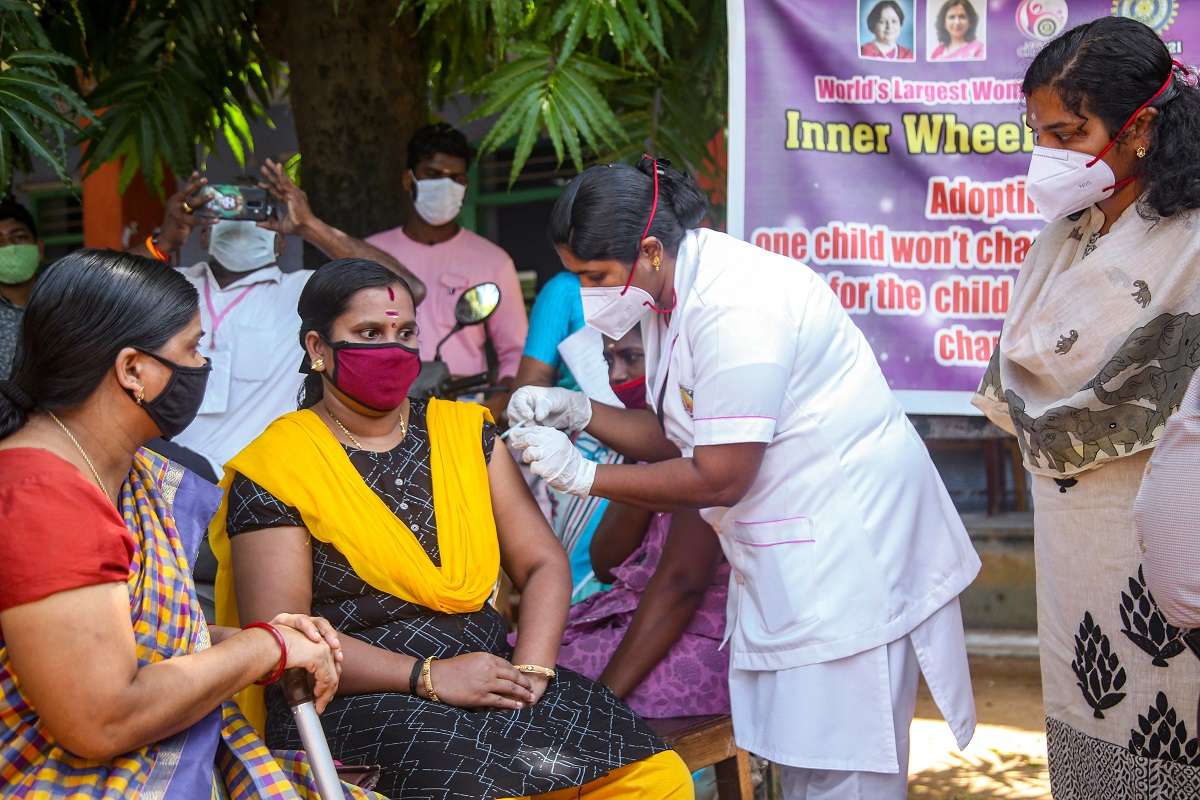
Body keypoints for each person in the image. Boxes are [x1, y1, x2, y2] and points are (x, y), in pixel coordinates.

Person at [506, 157, 980, 800]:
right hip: (792, 553)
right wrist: (584, 413)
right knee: (808, 758)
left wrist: (583, 475)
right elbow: (682, 430)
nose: (588, 294)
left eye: (595, 276)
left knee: (849, 769)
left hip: (848, 552)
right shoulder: (665, 293)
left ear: (648, 249)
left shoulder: (739, 303)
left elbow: (719, 473)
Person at [209, 259, 692, 799]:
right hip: (355, 695)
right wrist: (429, 677)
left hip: (489, 675)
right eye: (368, 333)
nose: (392, 347)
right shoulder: (276, 466)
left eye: (405, 333)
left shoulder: (464, 435)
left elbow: (541, 563)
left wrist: (532, 667)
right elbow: (285, 639)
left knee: (653, 775)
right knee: (483, 786)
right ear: (318, 349)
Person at [0, 249, 376, 798]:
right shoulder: (44, 496)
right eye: (193, 347)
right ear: (133, 369)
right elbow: (100, 719)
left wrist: (276, 641)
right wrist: (264, 647)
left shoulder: (122, 474)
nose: (203, 365)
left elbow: (142, 645)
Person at [974, 17, 1200, 796]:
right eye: (1041, 133)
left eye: (1068, 133)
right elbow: (1020, 381)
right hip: (1074, 544)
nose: (1049, 155)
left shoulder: (1194, 239)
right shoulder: (1065, 233)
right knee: (1088, 708)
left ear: (1138, 127)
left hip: (1165, 528)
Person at [137, 165, 425, 479]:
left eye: (258, 210)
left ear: (282, 238)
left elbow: (408, 288)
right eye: (229, 210)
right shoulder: (168, 288)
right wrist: (163, 242)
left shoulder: (305, 292)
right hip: (169, 480)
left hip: (261, 484)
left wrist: (309, 225)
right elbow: (90, 300)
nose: (245, 223)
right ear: (204, 232)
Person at [551, 328, 730, 719]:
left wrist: (600, 709)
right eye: (608, 360)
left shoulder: (711, 448)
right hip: (649, 623)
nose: (617, 375)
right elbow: (605, 561)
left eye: (632, 358)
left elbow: (681, 585)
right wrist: (641, 455)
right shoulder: (660, 446)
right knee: (521, 665)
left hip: (704, 641)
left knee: (544, 689)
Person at [367, 123, 528, 420]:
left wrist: (491, 407)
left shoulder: (492, 260)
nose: (445, 185)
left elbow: (515, 354)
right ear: (408, 179)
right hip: (384, 409)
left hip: (463, 408)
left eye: (456, 178)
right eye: (433, 175)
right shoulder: (370, 255)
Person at [0, 198, 43, 379]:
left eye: (18, 237)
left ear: (39, 249)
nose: (10, 247)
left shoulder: (68, 304)